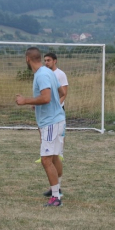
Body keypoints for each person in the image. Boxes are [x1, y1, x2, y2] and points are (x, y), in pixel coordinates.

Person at [15, 47, 66, 207]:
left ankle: (56, 198)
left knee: (46, 160)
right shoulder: (48, 72)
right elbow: (61, 91)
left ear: (27, 59)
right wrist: (40, 104)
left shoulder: (42, 75)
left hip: (50, 122)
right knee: (55, 156)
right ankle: (56, 190)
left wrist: (26, 101)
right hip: (58, 120)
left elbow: (46, 98)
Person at [42, 52, 69, 198]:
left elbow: (63, 93)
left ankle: (58, 188)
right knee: (50, 154)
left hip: (57, 114)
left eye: (49, 60)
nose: (46, 62)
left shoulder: (60, 74)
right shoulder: (44, 74)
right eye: (44, 60)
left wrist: (56, 107)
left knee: (54, 154)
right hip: (47, 115)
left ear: (55, 61)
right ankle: (55, 188)